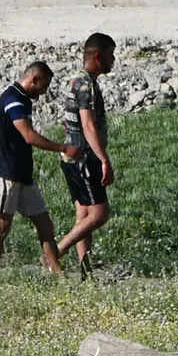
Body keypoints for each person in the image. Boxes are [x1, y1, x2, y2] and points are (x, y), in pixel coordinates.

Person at [0, 62, 82, 279]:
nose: (45, 91)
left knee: (45, 224)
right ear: (34, 79)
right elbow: (28, 136)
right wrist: (63, 148)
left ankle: (57, 273)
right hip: (6, 174)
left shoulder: (23, 99)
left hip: (22, 174)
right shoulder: (13, 100)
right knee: (1, 229)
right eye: (44, 85)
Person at [57, 33, 117, 279]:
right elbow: (88, 125)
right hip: (84, 158)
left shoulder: (75, 81)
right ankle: (55, 251)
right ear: (98, 56)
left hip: (71, 156)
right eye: (111, 55)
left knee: (83, 213)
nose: (114, 60)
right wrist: (103, 159)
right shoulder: (86, 85)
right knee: (99, 214)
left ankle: (85, 270)